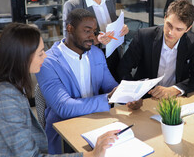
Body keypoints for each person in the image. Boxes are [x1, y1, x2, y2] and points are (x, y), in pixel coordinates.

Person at [0, 23, 118, 157]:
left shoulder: (9, 86)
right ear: (22, 57)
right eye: (41, 53)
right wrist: (90, 155)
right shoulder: (5, 98)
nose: (45, 56)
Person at [36, 9, 139, 154]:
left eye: (94, 31)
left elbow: (109, 84)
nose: (92, 37)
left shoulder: (96, 54)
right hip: (65, 131)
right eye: (87, 31)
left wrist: (128, 96)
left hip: (97, 122)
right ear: (70, 29)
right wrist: (108, 98)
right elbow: (64, 107)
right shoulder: (47, 62)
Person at [117, 0, 194, 99]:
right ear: (164, 18)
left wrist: (175, 89)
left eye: (178, 29)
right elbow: (123, 68)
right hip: (145, 98)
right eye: (169, 25)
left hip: (176, 98)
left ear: (188, 29)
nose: (171, 32)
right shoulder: (144, 36)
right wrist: (133, 94)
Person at [63, 0, 128, 82]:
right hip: (90, 59)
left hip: (113, 54)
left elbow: (111, 22)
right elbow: (69, 44)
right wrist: (97, 40)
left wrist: (121, 29)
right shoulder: (73, 5)